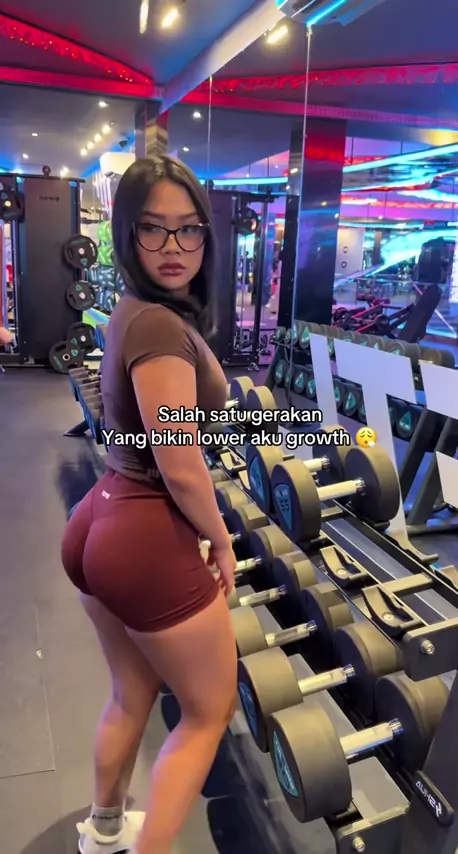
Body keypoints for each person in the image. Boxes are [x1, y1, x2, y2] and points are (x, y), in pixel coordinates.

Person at [61, 156, 238, 854]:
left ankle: (104, 829)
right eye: (153, 229)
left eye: (189, 229)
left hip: (98, 516)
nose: (173, 247)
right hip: (142, 536)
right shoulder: (161, 327)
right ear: (127, 234)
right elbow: (180, 463)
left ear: (207, 237)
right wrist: (220, 538)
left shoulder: (133, 312)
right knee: (206, 712)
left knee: (130, 693)